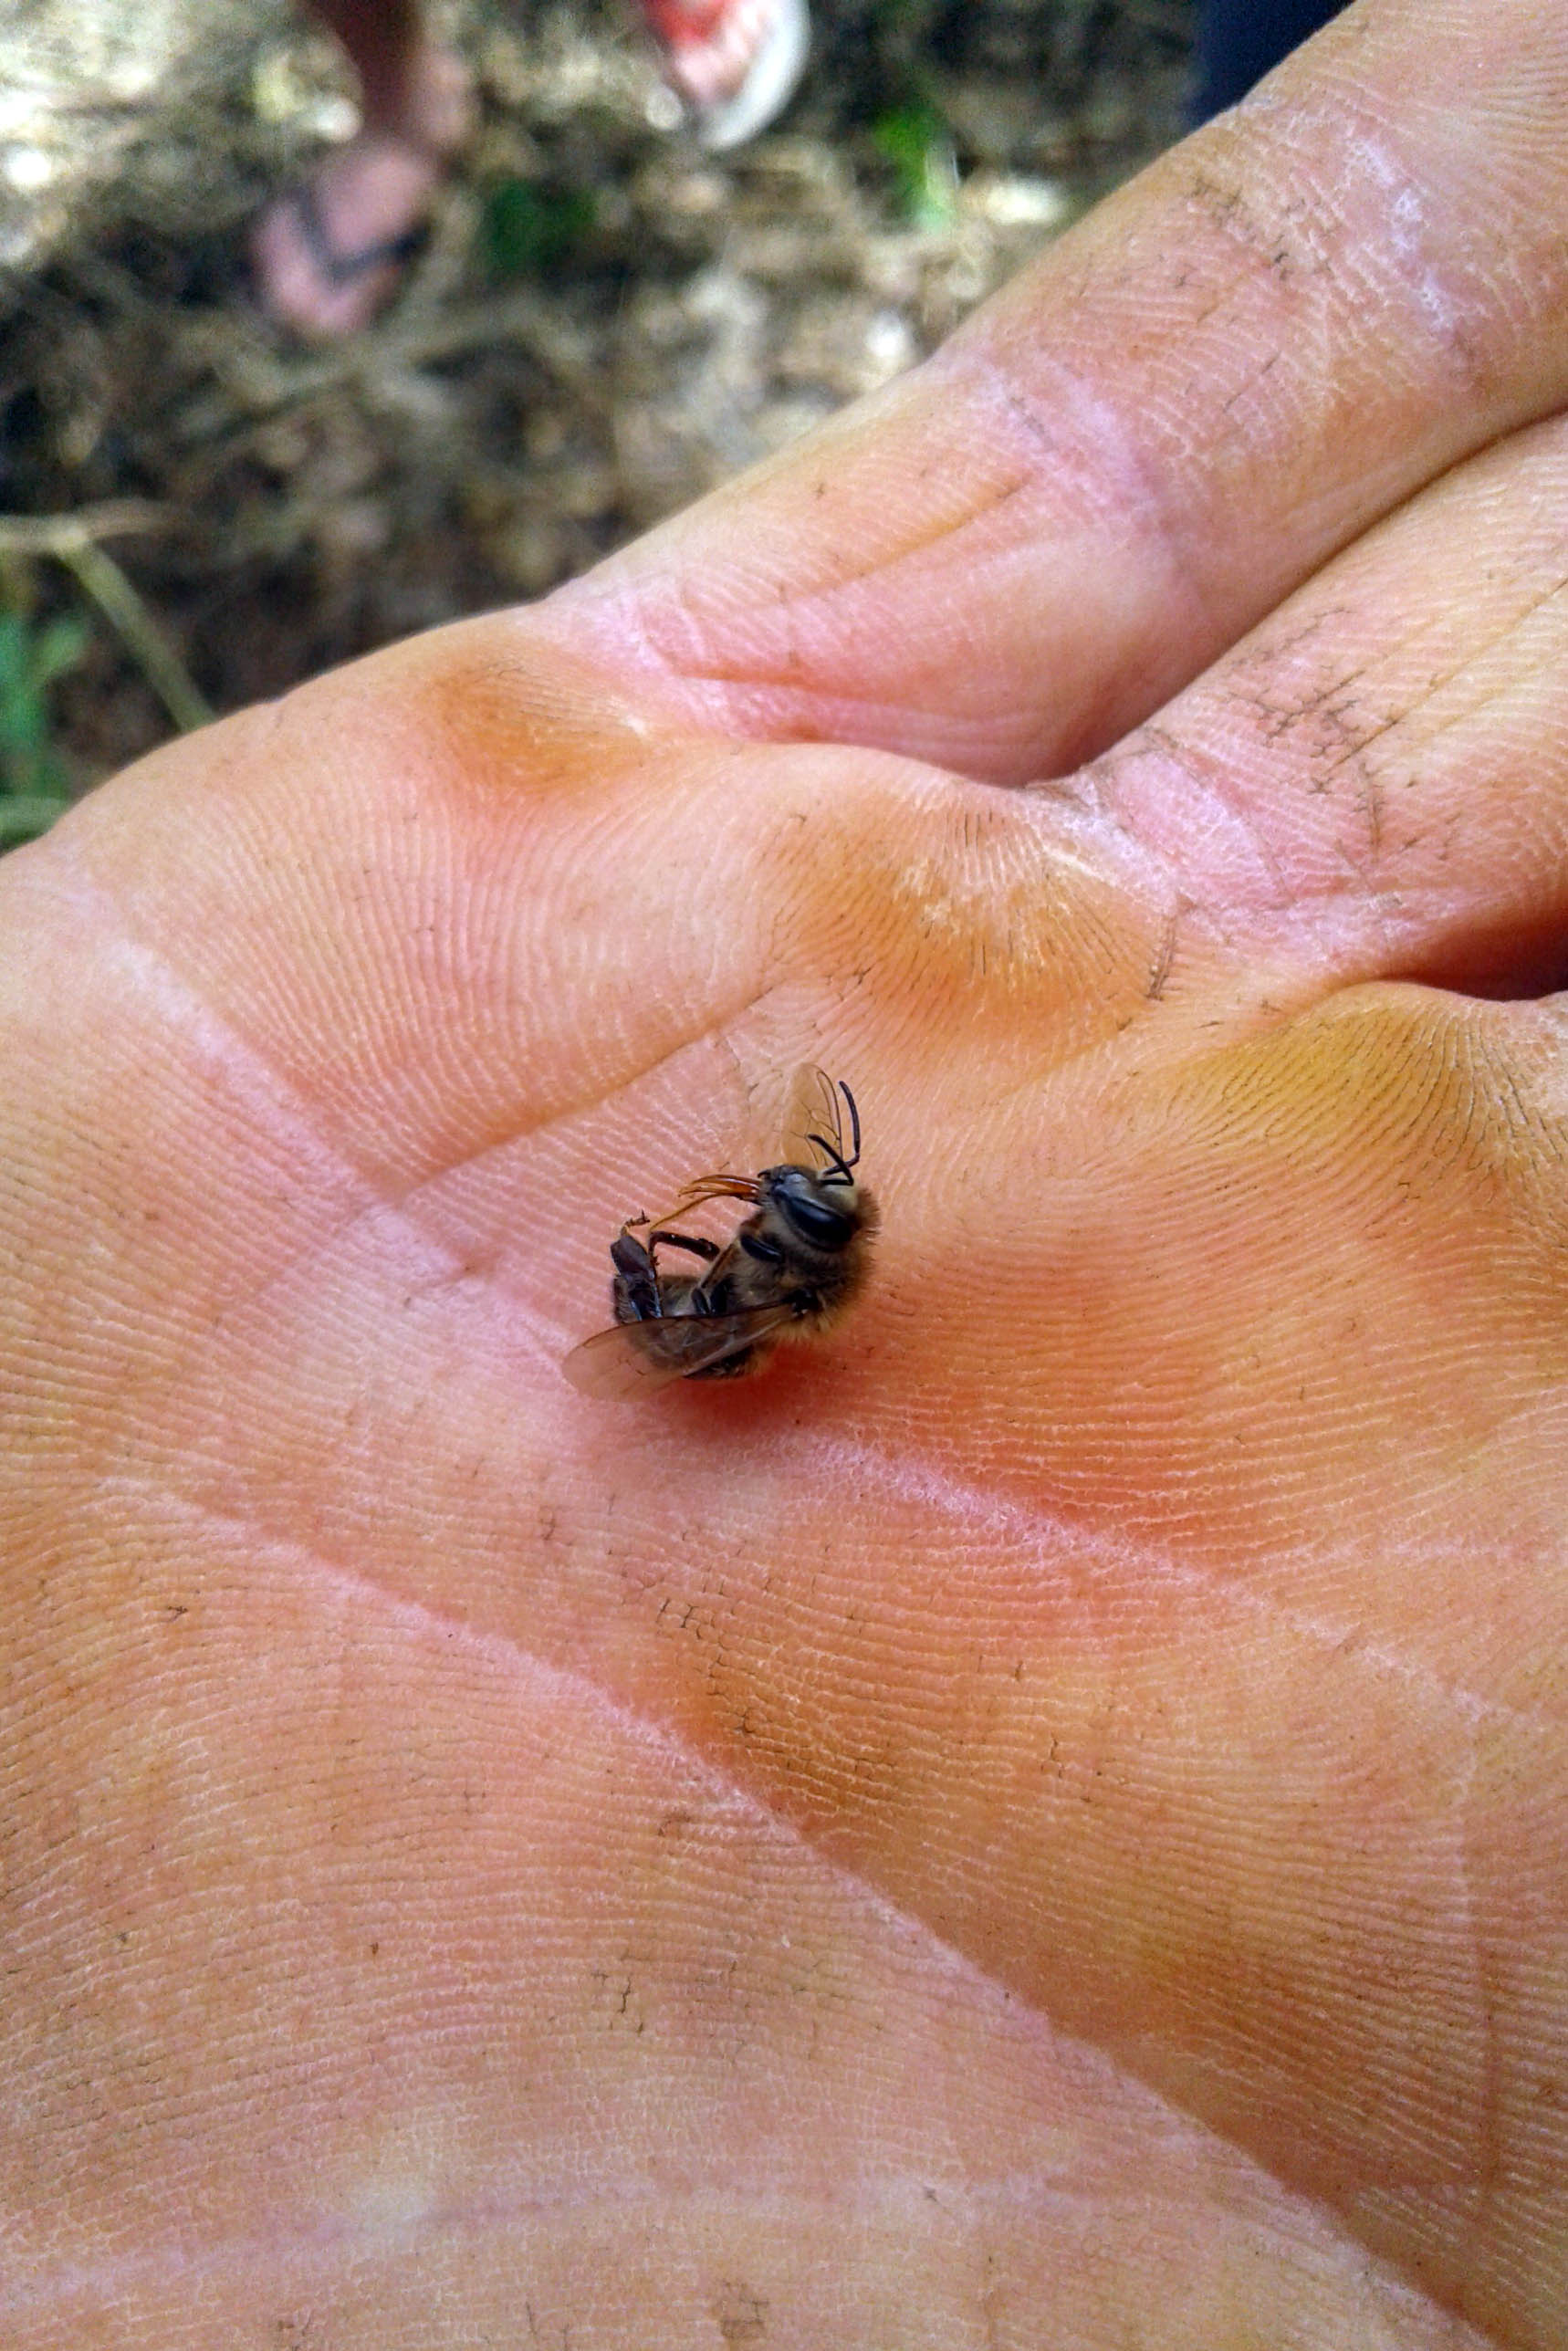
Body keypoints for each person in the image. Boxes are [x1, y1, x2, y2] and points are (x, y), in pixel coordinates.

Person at [4, 1, 1566, 2341]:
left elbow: (750, 1272)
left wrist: (720, 1285)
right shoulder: (760, 1257)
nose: (782, 1201)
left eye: (789, 1216)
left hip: (699, 1359)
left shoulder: (759, 1298)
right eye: (791, 1207)